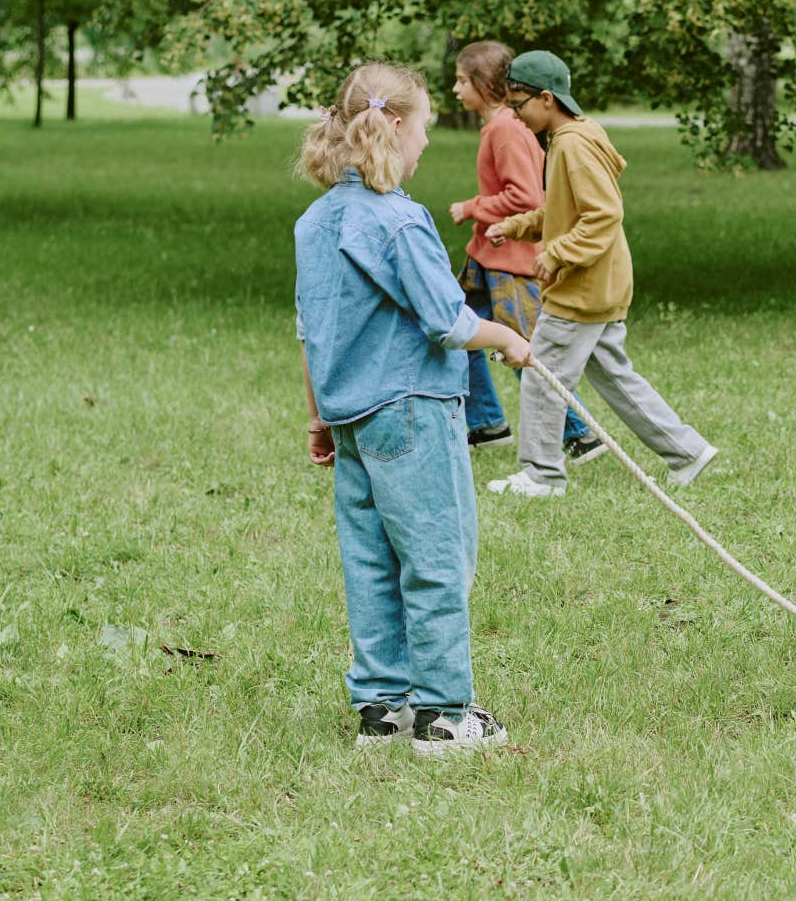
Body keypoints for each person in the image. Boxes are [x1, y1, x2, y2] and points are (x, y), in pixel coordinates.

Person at [295, 62, 529, 752]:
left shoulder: (315, 221)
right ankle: (444, 713)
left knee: (371, 559)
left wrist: (318, 418)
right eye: (425, 126)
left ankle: (383, 708)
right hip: (411, 408)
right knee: (434, 553)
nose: (427, 141)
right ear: (395, 126)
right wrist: (509, 337)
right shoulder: (397, 219)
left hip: (350, 419)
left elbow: (312, 328)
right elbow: (448, 322)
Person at [483, 49, 718, 497]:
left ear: (547, 98)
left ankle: (542, 476)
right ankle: (687, 452)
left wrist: (557, 255)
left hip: (582, 288)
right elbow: (562, 209)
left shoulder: (570, 144)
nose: (515, 115)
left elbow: (602, 215)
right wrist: (516, 226)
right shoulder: (575, 135)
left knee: (540, 374)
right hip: (602, 283)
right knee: (614, 376)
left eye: (519, 104)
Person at [445, 40, 603, 464]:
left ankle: (580, 433)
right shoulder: (502, 127)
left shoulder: (505, 129)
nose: (455, 90)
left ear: (484, 84)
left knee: (524, 349)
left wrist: (471, 207)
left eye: (462, 81)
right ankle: (486, 423)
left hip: (509, 261)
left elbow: (527, 196)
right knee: (460, 336)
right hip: (486, 256)